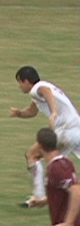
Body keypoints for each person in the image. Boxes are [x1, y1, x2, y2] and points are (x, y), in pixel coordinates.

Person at [10, 66, 80, 208]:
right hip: (77, 130)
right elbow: (31, 111)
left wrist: (54, 113)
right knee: (58, 166)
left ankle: (41, 196)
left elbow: (46, 93)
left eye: (20, 82)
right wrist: (19, 113)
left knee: (33, 155)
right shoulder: (39, 92)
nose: (20, 86)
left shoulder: (39, 88)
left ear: (27, 81)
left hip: (65, 131)